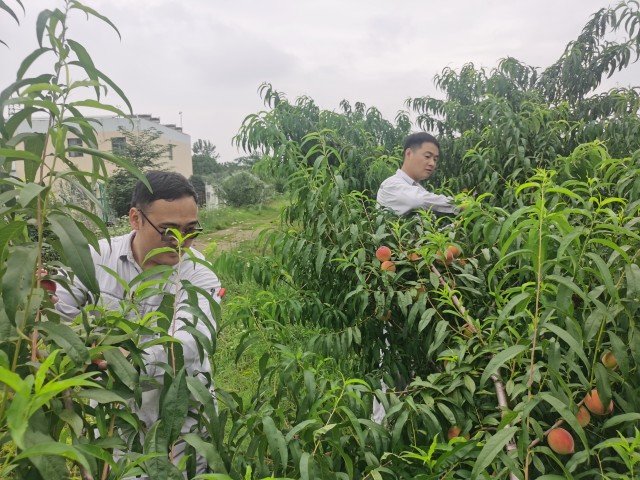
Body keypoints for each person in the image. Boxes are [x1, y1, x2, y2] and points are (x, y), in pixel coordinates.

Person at [55, 171, 221, 477]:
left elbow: (188, 344)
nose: (180, 242)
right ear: (135, 218)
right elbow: (59, 310)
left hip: (179, 417)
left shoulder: (198, 274)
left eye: (190, 230)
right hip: (115, 417)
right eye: (168, 230)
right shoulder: (96, 257)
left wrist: (126, 359)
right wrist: (78, 344)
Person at [377, 132, 457, 216]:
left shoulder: (419, 189)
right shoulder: (391, 185)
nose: (432, 163)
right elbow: (419, 200)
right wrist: (459, 205)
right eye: (427, 156)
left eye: (435, 159)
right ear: (409, 154)